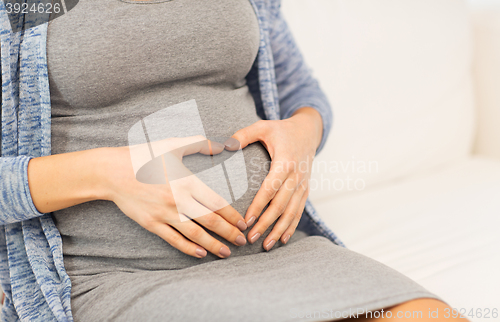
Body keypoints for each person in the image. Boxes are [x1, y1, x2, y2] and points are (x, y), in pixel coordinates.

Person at [0, 0, 465, 321]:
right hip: (114, 273)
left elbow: (302, 93)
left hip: (278, 251)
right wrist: (110, 174)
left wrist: (302, 134)